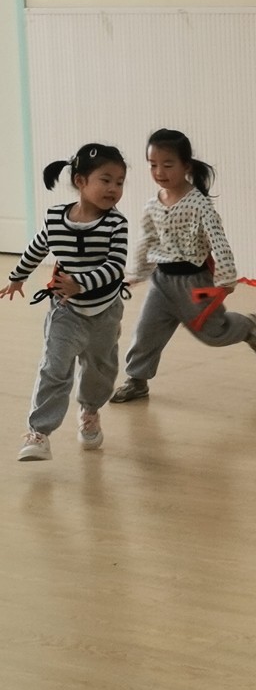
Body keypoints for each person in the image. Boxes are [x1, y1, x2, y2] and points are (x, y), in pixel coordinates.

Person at [110, 129, 256, 404]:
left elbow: (218, 241)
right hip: (161, 282)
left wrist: (226, 278)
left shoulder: (199, 204)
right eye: (153, 165)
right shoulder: (152, 205)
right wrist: (136, 272)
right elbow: (146, 239)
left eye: (167, 164)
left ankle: (247, 327)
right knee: (146, 331)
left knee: (213, 333)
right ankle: (137, 380)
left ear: (186, 166)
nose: (159, 171)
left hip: (194, 284)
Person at [2, 144, 129, 461]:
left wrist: (80, 283)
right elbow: (37, 247)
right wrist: (17, 277)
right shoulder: (55, 217)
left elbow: (115, 267)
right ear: (80, 181)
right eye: (106, 180)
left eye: (119, 182)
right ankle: (39, 432)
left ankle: (89, 411)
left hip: (105, 312)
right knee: (53, 368)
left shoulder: (116, 224)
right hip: (65, 311)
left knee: (100, 371)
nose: (114, 188)